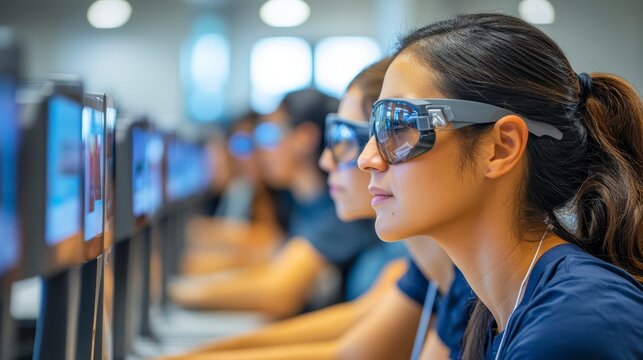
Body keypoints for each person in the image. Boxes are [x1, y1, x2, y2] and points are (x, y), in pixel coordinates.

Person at [358, 13, 643, 360]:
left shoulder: (575, 326)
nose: (367, 158)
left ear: (500, 147)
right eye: (375, 127)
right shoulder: (494, 308)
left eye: (399, 125)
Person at [163, 57, 464, 360]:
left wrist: (170, 292)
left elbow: (278, 292)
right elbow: (352, 348)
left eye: (394, 135)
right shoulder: (428, 272)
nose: (367, 159)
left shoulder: (429, 266)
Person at [169, 88, 392, 318]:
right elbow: (267, 255)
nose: (260, 150)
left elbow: (277, 292)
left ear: (304, 138)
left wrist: (175, 290)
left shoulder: (344, 212)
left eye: (268, 135)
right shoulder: (301, 205)